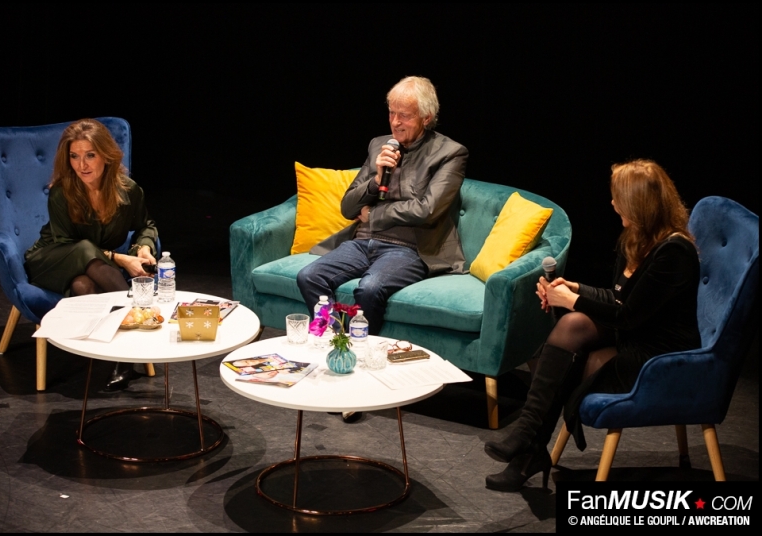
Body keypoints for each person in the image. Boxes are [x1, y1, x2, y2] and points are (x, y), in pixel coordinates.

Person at [483, 159, 701, 492]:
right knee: (572, 326)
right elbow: (618, 298)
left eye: (620, 199)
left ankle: (528, 449)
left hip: (658, 352)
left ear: (640, 206)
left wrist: (571, 301)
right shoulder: (635, 237)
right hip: (634, 331)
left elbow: (627, 315)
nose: (612, 204)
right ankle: (528, 440)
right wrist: (574, 290)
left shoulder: (674, 253)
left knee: (576, 358)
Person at [296, 76, 468, 422]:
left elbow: (426, 210)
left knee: (370, 288)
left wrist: (374, 213)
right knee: (309, 275)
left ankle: (356, 373)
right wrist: (376, 180)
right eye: (392, 113)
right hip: (362, 242)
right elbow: (347, 207)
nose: (395, 122)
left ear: (427, 118)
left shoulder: (451, 153)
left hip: (409, 248)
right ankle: (338, 352)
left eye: (404, 115)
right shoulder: (380, 146)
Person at [24, 118, 158, 392]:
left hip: (91, 269)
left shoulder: (128, 191)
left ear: (106, 156)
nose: (81, 165)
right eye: (74, 156)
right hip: (50, 260)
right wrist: (121, 259)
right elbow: (67, 244)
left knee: (83, 284)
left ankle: (112, 354)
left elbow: (146, 225)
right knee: (85, 249)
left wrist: (143, 247)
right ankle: (132, 342)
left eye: (89, 155)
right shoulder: (62, 192)